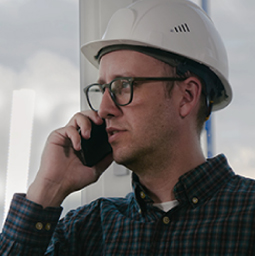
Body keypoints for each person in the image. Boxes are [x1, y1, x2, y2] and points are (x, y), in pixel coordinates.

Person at [1, 0, 255, 255]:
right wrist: (48, 188)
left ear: (187, 96)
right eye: (102, 89)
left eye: (123, 85)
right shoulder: (85, 230)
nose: (103, 110)